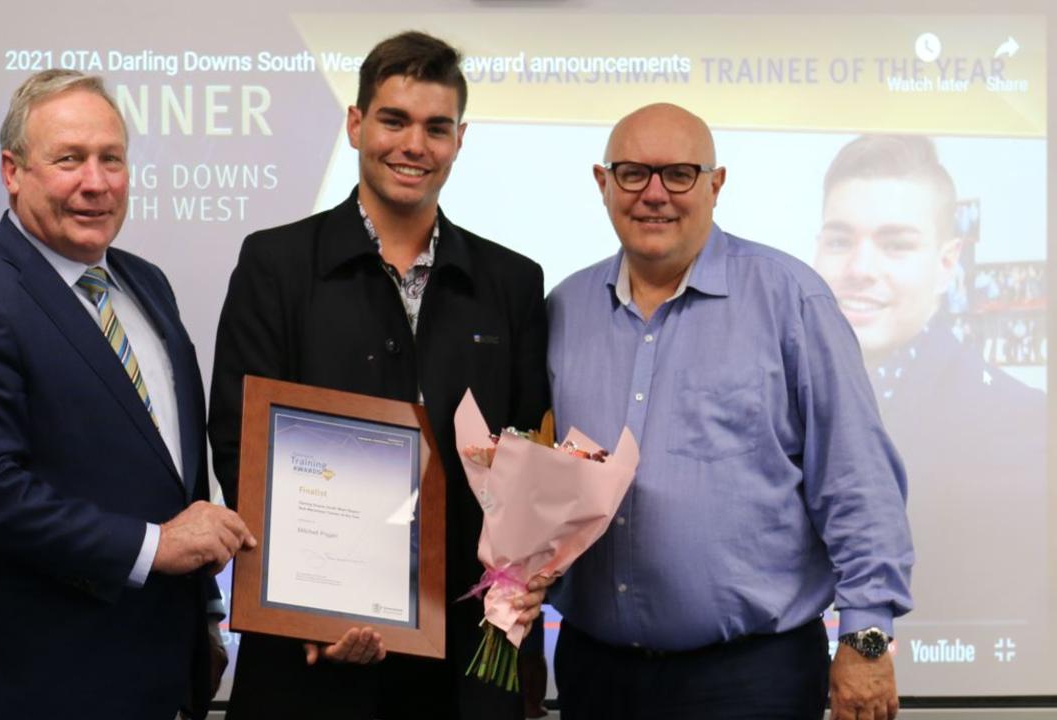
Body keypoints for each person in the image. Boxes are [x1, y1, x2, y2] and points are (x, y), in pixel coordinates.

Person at [209, 31, 550, 720]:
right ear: (356, 123)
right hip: (314, 655)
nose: (413, 146)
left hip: (468, 661)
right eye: (393, 120)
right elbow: (241, 446)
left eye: (436, 128)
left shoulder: (511, 282)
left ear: (460, 139)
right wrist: (311, 607)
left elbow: (531, 460)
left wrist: (530, 571)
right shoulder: (276, 265)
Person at [0, 69, 255, 719]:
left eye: (110, 159)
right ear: (13, 171)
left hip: (157, 677)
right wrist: (155, 547)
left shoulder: (146, 284)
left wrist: (205, 607)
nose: (96, 182)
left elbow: (169, 469)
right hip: (27, 685)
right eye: (69, 160)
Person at [546, 104, 914, 720]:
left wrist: (867, 641)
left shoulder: (791, 301)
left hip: (751, 680)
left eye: (680, 174)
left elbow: (858, 483)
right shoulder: (563, 309)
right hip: (596, 673)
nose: (655, 194)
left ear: (716, 185)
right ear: (602, 182)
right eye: (633, 173)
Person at [813, 134, 1045, 627]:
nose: (860, 269)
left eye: (896, 245)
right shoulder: (773, 393)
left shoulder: (1023, 425)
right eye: (839, 241)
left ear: (946, 264)